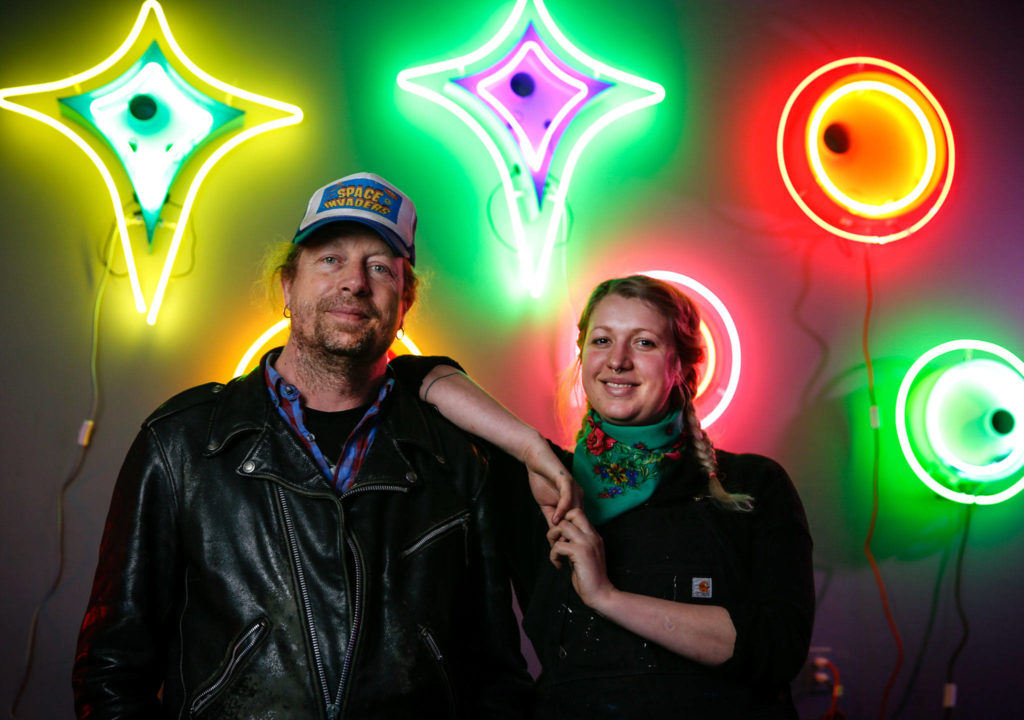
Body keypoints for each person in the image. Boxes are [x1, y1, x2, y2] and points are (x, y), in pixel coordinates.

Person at [71, 172, 544, 719]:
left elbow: (497, 676)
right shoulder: (180, 443)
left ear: (405, 300)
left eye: (380, 267)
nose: (354, 283)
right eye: (330, 260)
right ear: (287, 287)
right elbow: (112, 670)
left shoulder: (460, 458)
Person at [405, 275, 815, 719]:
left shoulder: (752, 483)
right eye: (602, 340)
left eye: (644, 343)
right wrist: (530, 449)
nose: (617, 361)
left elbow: (775, 649)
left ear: (683, 365)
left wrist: (607, 596)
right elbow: (410, 376)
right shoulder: (546, 486)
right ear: (582, 358)